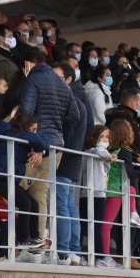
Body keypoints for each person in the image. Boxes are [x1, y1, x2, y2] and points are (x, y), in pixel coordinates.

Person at [19, 48, 80, 238]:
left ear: (29, 63)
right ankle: (37, 242)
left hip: (35, 144)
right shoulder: (63, 85)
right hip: (55, 146)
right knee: (40, 194)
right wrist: (60, 136)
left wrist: (34, 139)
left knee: (17, 190)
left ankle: (18, 242)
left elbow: (26, 111)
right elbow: (74, 115)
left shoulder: (33, 79)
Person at [0, 112, 51, 263]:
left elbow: (45, 140)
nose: (35, 132)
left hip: (9, 179)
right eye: (33, 129)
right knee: (25, 204)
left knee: (33, 203)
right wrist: (40, 149)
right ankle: (24, 239)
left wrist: (40, 151)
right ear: (26, 128)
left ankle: (34, 238)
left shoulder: (23, 136)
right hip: (1, 178)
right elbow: (42, 141)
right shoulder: (17, 134)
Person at [53, 63, 88, 266]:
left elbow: (64, 131)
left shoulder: (69, 101)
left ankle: (64, 251)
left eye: (57, 76)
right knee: (69, 206)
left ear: (68, 80)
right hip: (73, 158)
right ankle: (73, 251)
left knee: (62, 206)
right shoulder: (79, 101)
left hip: (64, 158)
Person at [102, 119, 140, 270]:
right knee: (106, 226)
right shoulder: (124, 151)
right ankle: (106, 257)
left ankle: (133, 213)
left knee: (132, 191)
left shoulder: (113, 150)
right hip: (116, 190)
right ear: (126, 134)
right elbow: (130, 173)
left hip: (111, 189)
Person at [80, 125, 120, 268]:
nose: (105, 139)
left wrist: (107, 157)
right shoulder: (92, 151)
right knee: (91, 226)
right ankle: (100, 257)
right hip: (93, 193)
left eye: (107, 137)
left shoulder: (97, 153)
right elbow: (99, 150)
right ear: (94, 137)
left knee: (90, 226)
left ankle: (93, 256)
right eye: (102, 136)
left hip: (95, 193)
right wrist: (109, 156)